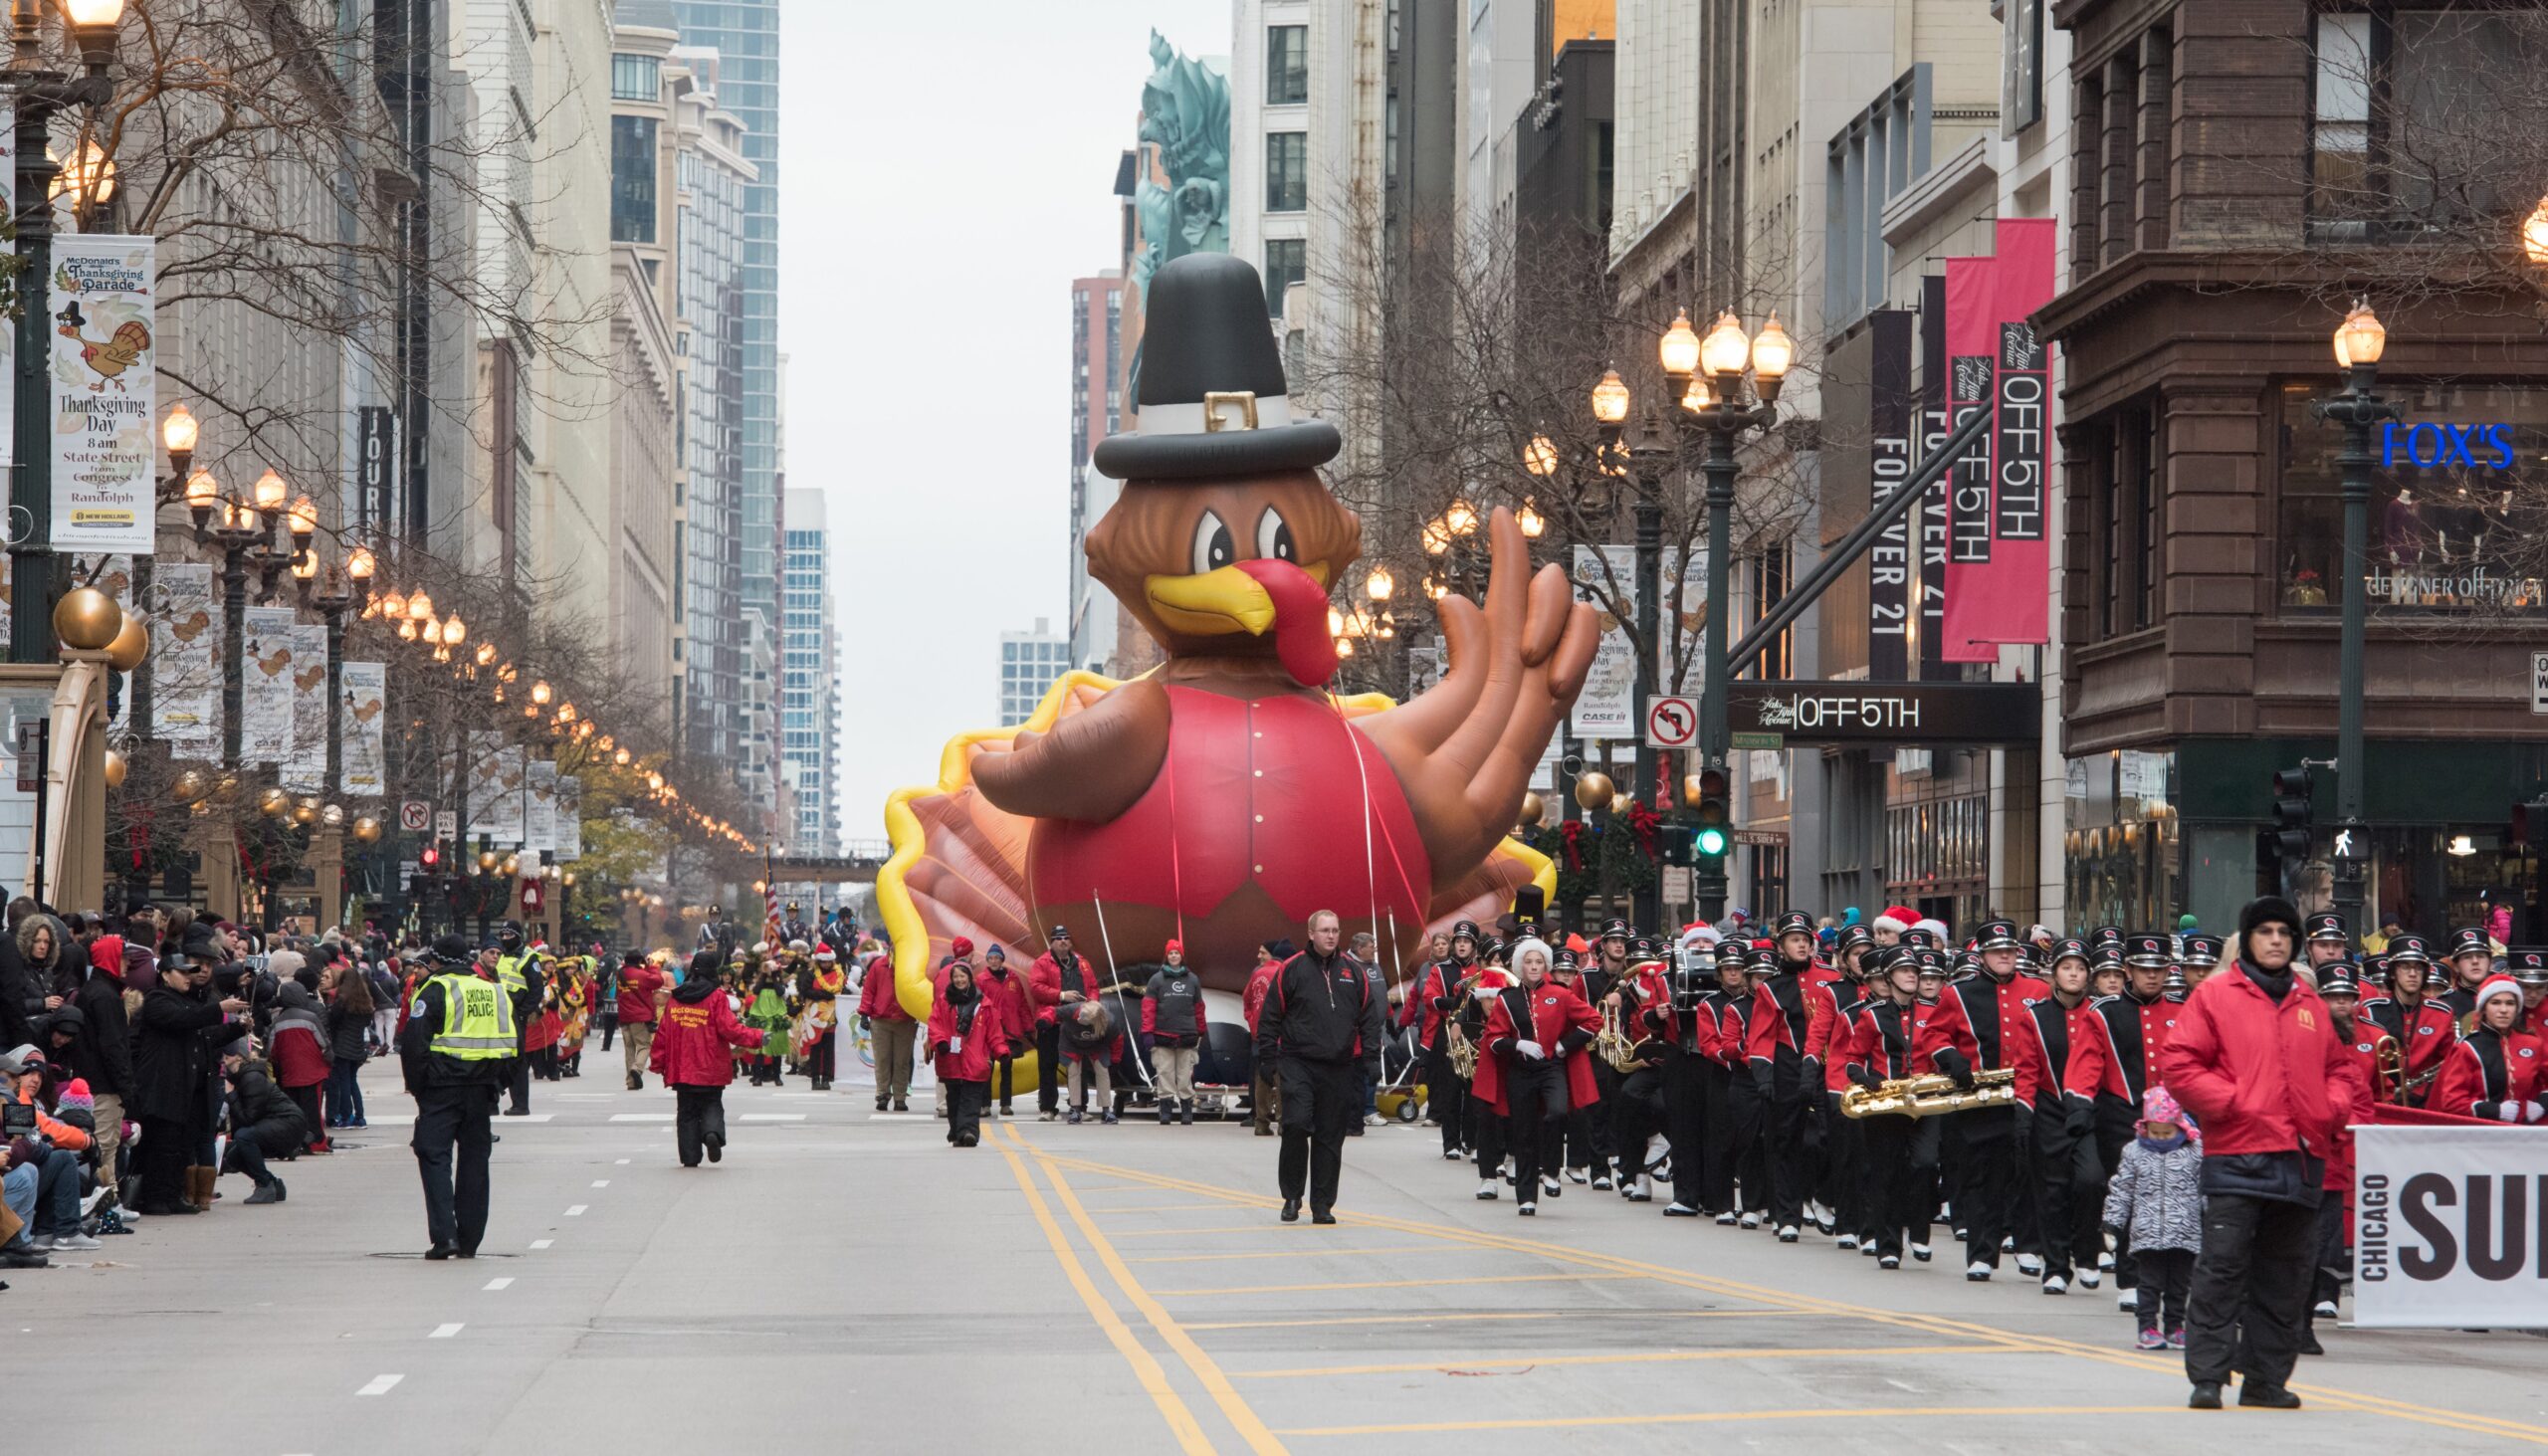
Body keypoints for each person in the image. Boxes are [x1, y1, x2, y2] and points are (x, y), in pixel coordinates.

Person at [2158, 895, 2352, 1411]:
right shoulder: (2217, 995)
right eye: (2264, 932)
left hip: (2301, 1159)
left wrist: (2329, 1111)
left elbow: (2340, 1070)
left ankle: (2266, 1379)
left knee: (2285, 1281)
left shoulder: (2310, 1004)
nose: (2275, 940)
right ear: (2247, 941)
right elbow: (2179, 1063)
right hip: (2238, 1157)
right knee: (2222, 1272)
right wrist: (2231, 1104)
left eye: (2284, 933)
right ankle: (2208, 1376)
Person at [1254, 911, 1384, 1224]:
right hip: (1298, 1061)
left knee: (1330, 1135)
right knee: (1296, 1125)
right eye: (1325, 930)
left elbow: (1368, 1017)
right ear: (1311, 933)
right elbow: (1270, 1015)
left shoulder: (1353, 972)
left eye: (1335, 930)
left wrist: (1370, 1058)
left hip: (1338, 1065)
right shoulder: (1291, 969)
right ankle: (1292, 1196)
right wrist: (1267, 1057)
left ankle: (1323, 1204)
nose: (1331, 936)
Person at [399, 933, 514, 1260]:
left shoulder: (435, 989)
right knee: (476, 1162)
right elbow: (512, 1046)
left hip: (441, 1088)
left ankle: (444, 1235)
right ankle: (470, 1239)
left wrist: (419, 1089)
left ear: (435, 961)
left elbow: (414, 1044)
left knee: (434, 1156)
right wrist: (497, 1085)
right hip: (483, 1091)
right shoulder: (495, 991)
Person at [1473, 936, 1599, 1216]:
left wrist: (1566, 1045)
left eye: (1539, 961)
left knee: (1556, 1113)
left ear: (1546, 965)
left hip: (1552, 1066)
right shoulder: (1507, 999)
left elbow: (1593, 1020)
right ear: (1520, 965)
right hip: (1520, 1071)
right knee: (1524, 1133)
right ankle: (1527, 1197)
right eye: (1528, 962)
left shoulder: (1561, 994)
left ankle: (1552, 1169)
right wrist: (1517, 1044)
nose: (1533, 966)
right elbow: (1494, 1039)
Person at [130, 953, 247, 1216]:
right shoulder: (157, 1000)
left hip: (189, 1087)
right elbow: (182, 1021)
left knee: (182, 1146)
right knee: (162, 1145)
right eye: (182, 972)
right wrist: (219, 1010)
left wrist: (237, 1029)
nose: (188, 977)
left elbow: (204, 1036)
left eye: (189, 973)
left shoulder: (187, 1001)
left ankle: (173, 1196)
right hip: (164, 1086)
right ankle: (155, 1198)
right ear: (165, 974)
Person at [2102, 1088, 2204, 1352]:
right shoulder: (2134, 1152)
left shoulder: (2194, 1152)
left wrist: (2212, 1216)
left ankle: (2175, 1327)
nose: (2159, 1139)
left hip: (2184, 1231)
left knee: (2179, 1284)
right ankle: (2147, 1327)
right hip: (2147, 1232)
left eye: (2166, 1133)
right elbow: (2122, 1189)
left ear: (2178, 1126)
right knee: (2149, 1284)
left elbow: (2205, 1187)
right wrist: (2112, 1222)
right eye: (2154, 1133)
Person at [650, 948, 766, 1166]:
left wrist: (658, 1062)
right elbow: (730, 1029)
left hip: (681, 1068)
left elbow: (663, 1033)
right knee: (712, 1103)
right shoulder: (716, 997)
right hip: (709, 1066)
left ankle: (690, 1156)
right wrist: (757, 1037)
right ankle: (712, 1133)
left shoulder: (677, 998)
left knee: (686, 1113)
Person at [2430, 973, 2544, 1123]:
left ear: (2517, 1009)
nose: (2503, 1010)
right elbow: (2451, 1102)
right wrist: (2495, 1110)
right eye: (2495, 1003)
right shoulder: (2468, 1047)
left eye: (2510, 1003)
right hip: (2482, 1134)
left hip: (2524, 1134)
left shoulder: (2533, 1044)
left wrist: (2542, 1104)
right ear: (2483, 1009)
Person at [214, 1036, 305, 1205]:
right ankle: (273, 1183)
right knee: (234, 1156)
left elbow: (248, 1119)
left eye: (229, 1052)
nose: (224, 1056)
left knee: (244, 1136)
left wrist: (231, 1094)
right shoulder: (238, 1077)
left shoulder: (251, 1077)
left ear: (239, 1056)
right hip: (276, 1122)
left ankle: (264, 1185)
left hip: (288, 1122)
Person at [925, 961, 1006, 1147]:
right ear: (951, 979)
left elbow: (994, 1032)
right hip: (950, 1060)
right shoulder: (943, 1002)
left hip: (975, 1061)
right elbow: (934, 1024)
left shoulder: (984, 1004)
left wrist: (1001, 1051)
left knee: (971, 1099)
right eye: (956, 977)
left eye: (963, 976)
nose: (959, 980)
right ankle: (956, 1131)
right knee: (953, 1100)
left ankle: (968, 1132)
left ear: (969, 978)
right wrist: (941, 1042)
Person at [1141, 941, 1207, 1125]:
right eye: (1171, 953)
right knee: (1165, 1074)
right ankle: (1166, 1112)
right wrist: (1147, 1033)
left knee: (1185, 1075)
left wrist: (1201, 1029)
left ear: (1182, 956)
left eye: (1177, 953)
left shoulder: (1193, 980)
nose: (1174, 956)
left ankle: (1187, 1112)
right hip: (1163, 1035)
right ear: (1166, 956)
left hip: (1187, 1035)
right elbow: (1148, 1008)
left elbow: (1199, 1007)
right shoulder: (1157, 980)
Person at [268, 980, 331, 1153]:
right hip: (313, 1072)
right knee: (313, 1111)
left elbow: (271, 1051)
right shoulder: (310, 1018)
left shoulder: (277, 1021)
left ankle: (296, 1141)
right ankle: (317, 1141)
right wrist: (328, 1062)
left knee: (294, 1112)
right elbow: (324, 1044)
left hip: (289, 1074)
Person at [859, 943, 917, 1113]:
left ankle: (900, 1097)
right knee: (882, 1059)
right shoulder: (878, 966)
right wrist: (864, 1013)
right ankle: (883, 1094)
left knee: (902, 1061)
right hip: (880, 1020)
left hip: (904, 1020)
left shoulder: (910, 967)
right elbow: (869, 991)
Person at [977, 945, 1033, 1116]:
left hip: (1010, 1032)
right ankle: (985, 1105)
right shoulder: (981, 980)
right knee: (987, 1069)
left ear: (1002, 960)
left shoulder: (1013, 979)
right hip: (989, 1032)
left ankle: (1006, 1104)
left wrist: (1029, 1027)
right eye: (991, 958)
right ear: (987, 960)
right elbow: (977, 1006)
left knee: (1007, 1070)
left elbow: (1022, 1004)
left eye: (997, 958)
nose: (994, 961)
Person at [1244, 940, 1288, 1136]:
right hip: (1280, 1035)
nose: (1258, 956)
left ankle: (1261, 1122)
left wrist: (1253, 1022)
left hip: (1259, 1035)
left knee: (1262, 1078)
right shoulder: (1285, 973)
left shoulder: (1257, 974)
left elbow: (1247, 1001)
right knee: (1282, 1080)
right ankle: (1283, 1122)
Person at [324, 960, 375, 1130]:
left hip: (342, 1045)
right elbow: (367, 1021)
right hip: (358, 1045)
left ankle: (346, 1115)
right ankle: (359, 1116)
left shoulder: (342, 1000)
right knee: (353, 1081)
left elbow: (333, 1021)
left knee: (343, 1081)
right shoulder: (365, 1001)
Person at [614, 949, 668, 1092]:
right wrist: (652, 966)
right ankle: (637, 1069)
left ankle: (631, 1082)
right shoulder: (642, 974)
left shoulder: (620, 974)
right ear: (640, 961)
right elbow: (658, 981)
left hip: (624, 1015)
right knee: (644, 1046)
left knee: (629, 1048)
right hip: (640, 1016)